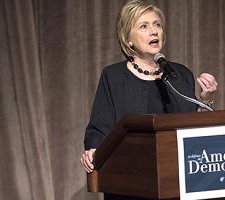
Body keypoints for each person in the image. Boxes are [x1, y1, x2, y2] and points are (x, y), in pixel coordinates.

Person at [80, 0, 217, 189]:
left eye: (157, 25)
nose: (154, 31)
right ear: (128, 38)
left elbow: (195, 128)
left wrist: (206, 99)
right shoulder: (114, 76)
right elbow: (99, 126)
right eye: (144, 26)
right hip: (129, 178)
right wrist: (94, 150)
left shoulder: (180, 74)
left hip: (178, 179)